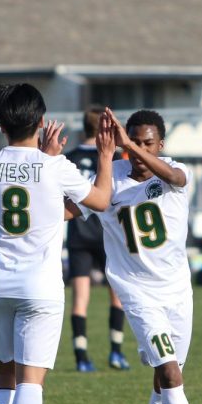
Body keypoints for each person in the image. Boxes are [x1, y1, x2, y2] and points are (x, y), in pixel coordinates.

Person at [67, 108, 202, 404]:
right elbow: (71, 210)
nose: (136, 153)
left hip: (178, 292)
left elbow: (175, 177)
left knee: (165, 381)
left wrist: (130, 145)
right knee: (170, 372)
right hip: (137, 293)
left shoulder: (175, 173)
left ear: (160, 145)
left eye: (147, 143)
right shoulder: (110, 179)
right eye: (131, 143)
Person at [0, 83, 113, 404]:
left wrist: (46, 157)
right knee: (32, 381)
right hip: (40, 286)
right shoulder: (56, 167)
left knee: (6, 374)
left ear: (0, 124)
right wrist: (105, 158)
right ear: (41, 122)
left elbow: (49, 206)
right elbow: (101, 201)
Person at [64, 105, 129, 372]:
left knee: (81, 297)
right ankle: (116, 352)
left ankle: (81, 356)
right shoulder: (112, 158)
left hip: (78, 231)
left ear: (82, 126)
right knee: (117, 294)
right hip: (106, 232)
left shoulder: (68, 158)